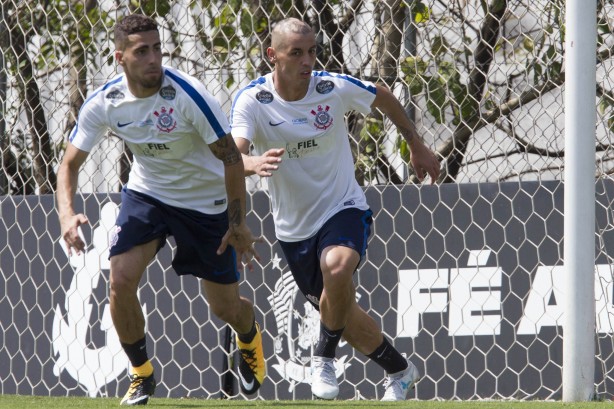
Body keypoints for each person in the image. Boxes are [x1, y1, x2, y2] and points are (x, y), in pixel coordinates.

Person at [56, 14, 266, 406]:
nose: (154, 58)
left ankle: (249, 336)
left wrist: (238, 225)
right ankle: (141, 375)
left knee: (224, 307)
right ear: (120, 57)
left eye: (157, 48)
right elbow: (69, 164)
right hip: (147, 195)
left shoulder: (188, 94)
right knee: (119, 280)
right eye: (142, 51)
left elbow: (232, 162)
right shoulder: (106, 101)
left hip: (206, 204)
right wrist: (67, 215)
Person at [230, 18, 440, 401]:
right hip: (294, 229)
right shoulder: (252, 100)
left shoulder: (332, 88)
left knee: (338, 266)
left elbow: (383, 95)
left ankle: (322, 358)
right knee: (343, 317)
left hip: (343, 207)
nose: (307, 61)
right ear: (272, 56)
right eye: (296, 53)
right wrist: (253, 164)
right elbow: (233, 157)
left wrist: (416, 145)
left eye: (312, 51)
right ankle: (401, 370)